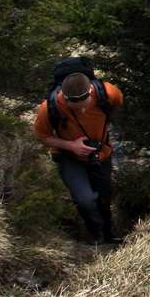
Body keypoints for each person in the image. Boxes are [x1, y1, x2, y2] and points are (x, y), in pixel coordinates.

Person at [33, 72, 123, 245]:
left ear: (90, 92)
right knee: (85, 199)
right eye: (76, 109)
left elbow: (117, 103)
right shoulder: (49, 107)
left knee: (104, 196)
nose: (82, 111)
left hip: (101, 153)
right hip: (70, 157)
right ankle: (95, 234)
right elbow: (41, 136)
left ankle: (108, 233)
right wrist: (71, 146)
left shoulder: (107, 93)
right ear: (64, 99)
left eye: (85, 106)